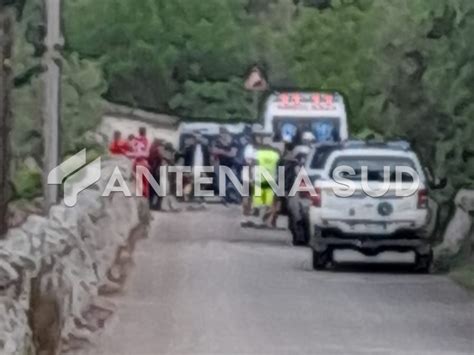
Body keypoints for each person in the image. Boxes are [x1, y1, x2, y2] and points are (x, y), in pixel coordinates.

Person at [148, 139, 163, 210]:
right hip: (154, 171)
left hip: (151, 171)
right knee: (156, 189)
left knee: (151, 190)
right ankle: (157, 205)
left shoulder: (151, 149)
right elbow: (159, 160)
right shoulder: (156, 150)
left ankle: (151, 205)